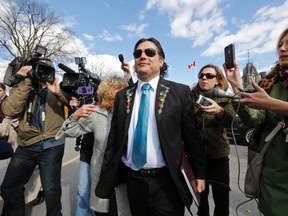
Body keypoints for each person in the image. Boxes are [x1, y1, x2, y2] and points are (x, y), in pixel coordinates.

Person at [95, 37, 207, 216]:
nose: (142, 56)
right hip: (133, 181)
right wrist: (105, 178)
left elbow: (191, 137)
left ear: (161, 61)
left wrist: (199, 172)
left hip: (167, 182)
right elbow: (114, 140)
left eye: (149, 52)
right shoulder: (122, 96)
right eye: (138, 53)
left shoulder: (179, 93)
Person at [223, 28, 288, 216]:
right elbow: (256, 118)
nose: (282, 49)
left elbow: (269, 106)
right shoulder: (271, 81)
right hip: (271, 178)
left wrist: (274, 104)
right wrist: (236, 86)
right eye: (280, 45)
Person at [0, 59, 70, 216]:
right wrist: (25, 83)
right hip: (26, 145)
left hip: (52, 144)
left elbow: (73, 105)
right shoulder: (25, 87)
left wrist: (57, 92)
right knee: (9, 186)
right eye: (39, 67)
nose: (43, 72)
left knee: (51, 191)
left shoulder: (60, 87)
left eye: (47, 68)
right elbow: (10, 110)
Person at [56, 76, 130, 216]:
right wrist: (75, 115)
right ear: (108, 94)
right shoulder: (96, 114)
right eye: (118, 91)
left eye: (125, 91)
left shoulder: (132, 113)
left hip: (127, 175)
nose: (124, 94)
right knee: (105, 211)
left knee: (126, 208)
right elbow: (64, 132)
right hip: (104, 174)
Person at [190, 64, 235, 216]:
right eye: (201, 75)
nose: (204, 78)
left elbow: (230, 120)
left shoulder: (223, 97)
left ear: (217, 80)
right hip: (197, 158)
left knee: (222, 201)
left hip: (219, 157)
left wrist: (220, 111)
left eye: (209, 75)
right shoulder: (190, 97)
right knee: (201, 202)